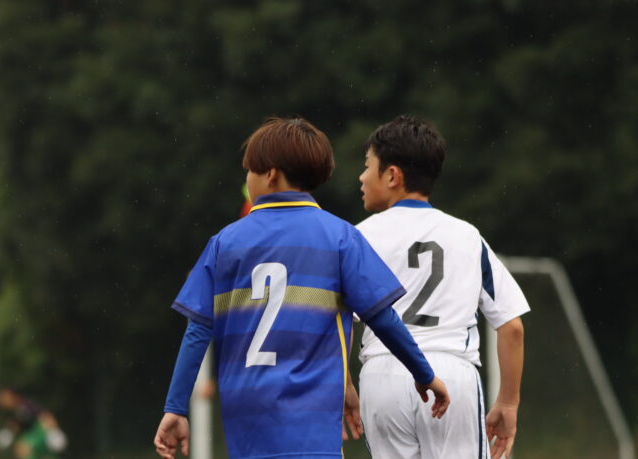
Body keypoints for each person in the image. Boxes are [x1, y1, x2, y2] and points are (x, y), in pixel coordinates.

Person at [153, 117, 450, 459]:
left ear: (270, 174)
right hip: (312, 430)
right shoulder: (340, 237)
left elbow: (197, 331)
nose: (247, 179)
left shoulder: (223, 244)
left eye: (249, 170)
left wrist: (175, 408)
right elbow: (382, 319)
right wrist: (423, 374)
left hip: (247, 430)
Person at [347, 115, 530, 459]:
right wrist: (508, 402)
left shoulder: (358, 237)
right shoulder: (467, 236)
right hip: (451, 371)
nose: (361, 176)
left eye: (367, 166)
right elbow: (512, 327)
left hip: (382, 373)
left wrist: (344, 382)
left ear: (392, 175)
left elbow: (336, 319)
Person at [0, 388, 67, 459]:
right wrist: (8, 433)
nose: (3, 403)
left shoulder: (26, 404)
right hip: (32, 433)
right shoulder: (14, 413)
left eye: (4, 398)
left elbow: (46, 416)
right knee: (20, 449)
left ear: (12, 396)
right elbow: (15, 426)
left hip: (41, 431)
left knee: (23, 448)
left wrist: (53, 430)